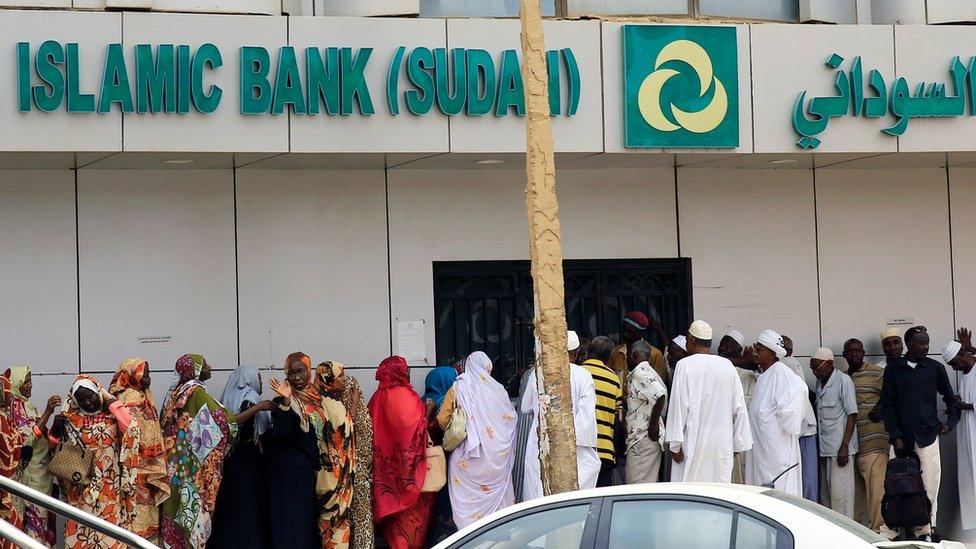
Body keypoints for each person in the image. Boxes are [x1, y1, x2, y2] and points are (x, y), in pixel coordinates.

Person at [160, 354, 267, 549]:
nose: (211, 367)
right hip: (190, 464)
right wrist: (258, 408)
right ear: (197, 370)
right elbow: (223, 421)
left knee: (178, 500)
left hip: (176, 461)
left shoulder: (175, 392)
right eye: (206, 364)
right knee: (191, 503)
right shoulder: (197, 391)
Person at [880, 326, 960, 541]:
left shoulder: (935, 368)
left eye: (927, 342)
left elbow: (950, 398)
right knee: (895, 483)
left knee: (930, 484)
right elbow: (887, 405)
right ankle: (893, 529)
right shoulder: (893, 369)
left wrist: (950, 423)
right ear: (909, 344)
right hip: (901, 439)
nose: (925, 346)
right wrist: (895, 436)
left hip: (927, 436)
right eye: (921, 343)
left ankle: (926, 530)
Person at [51, 375, 138, 549]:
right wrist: (55, 429)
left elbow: (132, 428)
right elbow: (55, 450)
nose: (88, 403)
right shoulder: (70, 420)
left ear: (98, 392)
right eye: (82, 400)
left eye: (90, 396)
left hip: (109, 487)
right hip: (80, 490)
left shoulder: (112, 417)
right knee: (79, 536)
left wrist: (112, 404)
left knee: (109, 538)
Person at [665, 320, 752, 482]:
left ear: (691, 341)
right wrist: (737, 444)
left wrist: (675, 444)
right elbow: (739, 408)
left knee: (691, 496)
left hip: (692, 442)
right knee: (717, 495)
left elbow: (679, 406)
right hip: (721, 445)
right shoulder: (727, 366)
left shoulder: (684, 365)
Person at [437, 352, 516, 527]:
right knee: (498, 512)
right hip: (497, 460)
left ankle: (471, 537)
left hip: (468, 459)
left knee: (467, 505)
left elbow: (442, 419)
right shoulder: (499, 390)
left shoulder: (459, 388)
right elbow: (511, 417)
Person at [521, 331, 599, 499]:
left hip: (541, 443)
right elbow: (585, 418)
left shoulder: (538, 373)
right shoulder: (584, 375)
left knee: (539, 497)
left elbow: (525, 407)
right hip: (574, 447)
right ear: (577, 353)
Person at [368, 356, 433, 549]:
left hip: (388, 473)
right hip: (412, 473)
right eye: (406, 369)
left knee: (394, 516)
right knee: (413, 518)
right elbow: (420, 428)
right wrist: (428, 410)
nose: (408, 372)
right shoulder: (409, 396)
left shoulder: (377, 398)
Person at [264, 352, 326, 549]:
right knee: (293, 520)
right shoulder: (282, 395)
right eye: (291, 373)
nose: (296, 377)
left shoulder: (316, 395)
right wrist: (286, 402)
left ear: (309, 370)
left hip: (312, 467)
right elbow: (282, 432)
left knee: (309, 518)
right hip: (291, 472)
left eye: (300, 371)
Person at [208, 364, 271, 549]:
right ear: (249, 378)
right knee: (247, 504)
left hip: (231, 458)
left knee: (231, 504)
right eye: (258, 377)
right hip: (247, 459)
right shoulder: (251, 398)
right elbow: (242, 426)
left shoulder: (230, 395)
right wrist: (259, 408)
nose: (261, 381)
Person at [108, 358, 170, 542]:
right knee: (139, 514)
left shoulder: (141, 394)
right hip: (137, 468)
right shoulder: (130, 397)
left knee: (144, 513)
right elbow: (134, 432)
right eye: (145, 374)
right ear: (133, 375)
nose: (149, 378)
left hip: (141, 468)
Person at [746, 330, 807, 496]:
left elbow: (800, 389)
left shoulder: (781, 371)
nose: (755, 350)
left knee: (778, 495)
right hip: (762, 454)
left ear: (772, 353)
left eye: (760, 347)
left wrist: (789, 421)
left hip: (777, 452)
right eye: (756, 346)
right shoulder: (765, 374)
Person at [7, 367, 58, 546]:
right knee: (35, 523)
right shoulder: (15, 406)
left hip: (40, 473)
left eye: (31, 380)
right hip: (31, 476)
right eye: (26, 381)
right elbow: (28, 439)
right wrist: (48, 411)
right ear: (15, 384)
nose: (30, 385)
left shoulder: (25, 404)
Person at [329, 363, 375, 549]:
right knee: (357, 517)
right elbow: (343, 433)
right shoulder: (332, 409)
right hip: (347, 471)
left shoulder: (337, 406)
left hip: (349, 471)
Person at [845, 337, 889, 532]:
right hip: (852, 446)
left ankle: (878, 534)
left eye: (858, 350)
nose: (855, 354)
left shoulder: (876, 373)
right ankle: (858, 536)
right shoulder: (843, 377)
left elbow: (891, 395)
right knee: (856, 497)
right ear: (844, 355)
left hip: (875, 442)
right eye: (850, 351)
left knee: (876, 492)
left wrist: (879, 408)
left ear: (864, 353)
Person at [810, 347, 858, 518]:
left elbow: (852, 415)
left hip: (840, 450)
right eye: (812, 368)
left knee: (841, 498)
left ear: (829, 364)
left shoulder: (844, 381)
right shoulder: (819, 382)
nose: (814, 372)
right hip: (825, 449)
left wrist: (845, 446)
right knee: (827, 497)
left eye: (817, 367)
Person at [314, 361, 356, 549]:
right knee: (337, 528)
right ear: (328, 378)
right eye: (339, 376)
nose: (343, 379)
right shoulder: (333, 404)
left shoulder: (317, 401)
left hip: (325, 478)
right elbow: (346, 430)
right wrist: (354, 402)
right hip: (336, 480)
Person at [422, 366, 458, 544]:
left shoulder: (421, 401)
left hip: (426, 461)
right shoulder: (448, 402)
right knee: (445, 501)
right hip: (445, 459)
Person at [944, 333, 976, 532]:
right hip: (967, 432)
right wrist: (957, 405)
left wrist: (967, 405)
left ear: (963, 355)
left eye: (955, 363)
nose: (955, 369)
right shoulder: (965, 376)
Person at [581, 336, 623, 486]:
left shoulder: (578, 374)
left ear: (589, 350)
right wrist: (615, 453)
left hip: (583, 448)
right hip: (605, 449)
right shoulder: (614, 379)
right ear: (608, 356)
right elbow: (617, 420)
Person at [626, 340, 667, 484]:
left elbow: (660, 394)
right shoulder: (650, 371)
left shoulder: (640, 372)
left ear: (634, 355)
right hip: (644, 440)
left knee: (636, 488)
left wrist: (653, 424)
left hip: (643, 438)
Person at [717, 329, 755, 485]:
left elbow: (754, 364)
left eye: (729, 346)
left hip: (742, 436)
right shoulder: (718, 368)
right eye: (722, 344)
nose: (723, 349)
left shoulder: (750, 373)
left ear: (739, 350)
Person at [609, 311, 669, 388]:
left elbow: (659, 386)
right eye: (624, 330)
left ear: (641, 333)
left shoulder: (654, 354)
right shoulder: (615, 352)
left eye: (630, 332)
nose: (625, 334)